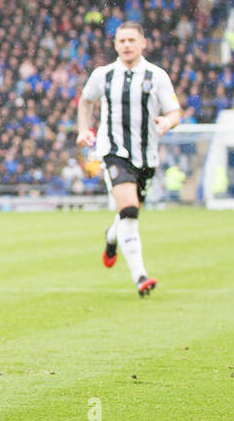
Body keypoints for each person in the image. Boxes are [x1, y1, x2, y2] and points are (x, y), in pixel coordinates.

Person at [77, 21, 181, 297]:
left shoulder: (157, 76)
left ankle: (111, 237)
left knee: (128, 214)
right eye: (121, 41)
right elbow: (85, 101)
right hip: (113, 152)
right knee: (130, 211)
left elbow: (175, 112)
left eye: (131, 40)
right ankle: (141, 276)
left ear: (143, 43)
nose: (126, 45)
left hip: (146, 157)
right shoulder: (104, 75)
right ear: (115, 45)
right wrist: (84, 130)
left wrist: (167, 123)